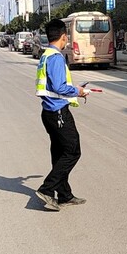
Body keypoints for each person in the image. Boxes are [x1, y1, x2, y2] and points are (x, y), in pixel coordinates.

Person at [35, 18, 89, 211]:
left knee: (59, 154)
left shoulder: (46, 55)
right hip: (58, 112)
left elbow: (53, 85)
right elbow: (59, 87)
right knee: (73, 151)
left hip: (49, 111)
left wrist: (74, 89)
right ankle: (47, 189)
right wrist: (78, 91)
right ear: (64, 37)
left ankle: (64, 195)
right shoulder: (56, 57)